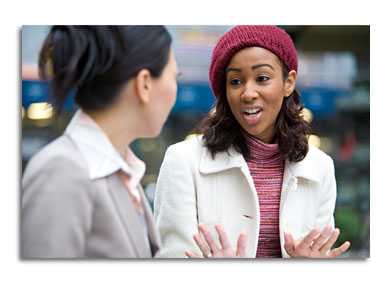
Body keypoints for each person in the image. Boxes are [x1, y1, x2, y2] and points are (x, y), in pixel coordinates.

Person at [154, 25, 351, 258]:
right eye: (235, 81)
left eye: (262, 78)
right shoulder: (183, 160)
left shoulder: (320, 166)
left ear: (289, 82)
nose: (248, 93)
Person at [21, 25, 179, 258]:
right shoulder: (62, 171)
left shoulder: (121, 172)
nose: (175, 89)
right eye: (175, 77)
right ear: (144, 83)